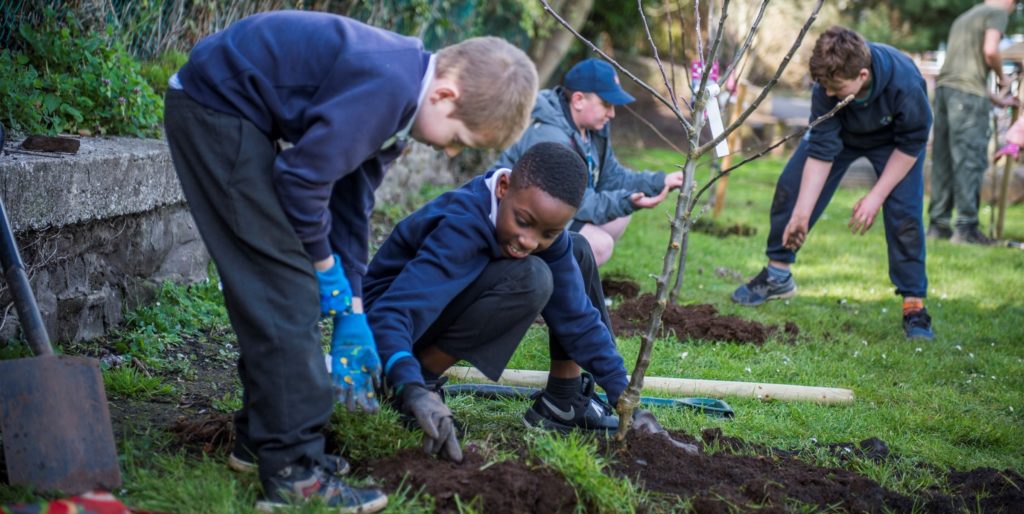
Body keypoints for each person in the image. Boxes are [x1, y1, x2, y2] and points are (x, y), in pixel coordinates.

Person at [162, 10, 537, 512]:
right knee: (286, 289)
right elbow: (300, 181)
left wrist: (353, 305)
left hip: (228, 112)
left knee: (282, 287)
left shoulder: (401, 93)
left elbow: (351, 204)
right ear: (445, 94)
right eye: (457, 140)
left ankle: (262, 442)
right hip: (215, 112)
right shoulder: (386, 84)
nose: (448, 153)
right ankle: (295, 471)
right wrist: (323, 273)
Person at [364, 142, 682, 461]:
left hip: (420, 319)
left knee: (578, 249)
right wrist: (410, 386)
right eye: (523, 221)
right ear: (503, 188)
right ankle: (418, 382)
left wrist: (624, 397)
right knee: (531, 277)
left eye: (548, 232)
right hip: (384, 334)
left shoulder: (535, 233)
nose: (530, 241)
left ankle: (564, 399)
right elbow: (392, 315)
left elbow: (579, 318)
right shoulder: (461, 226)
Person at [730, 26, 935, 341]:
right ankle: (778, 275)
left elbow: (912, 144)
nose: (827, 93)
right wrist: (801, 213)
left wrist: (875, 197)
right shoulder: (826, 86)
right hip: (843, 135)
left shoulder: (905, 83)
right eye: (823, 85)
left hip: (895, 145)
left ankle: (914, 305)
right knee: (791, 188)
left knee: (905, 215)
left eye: (836, 87)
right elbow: (822, 151)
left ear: (862, 75)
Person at [491, 58, 684, 266]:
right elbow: (577, 202)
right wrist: (627, 201)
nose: (612, 113)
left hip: (552, 211)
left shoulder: (592, 132)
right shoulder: (552, 137)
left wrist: (659, 181)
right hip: (517, 219)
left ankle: (577, 279)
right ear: (579, 99)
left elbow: (612, 177)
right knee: (600, 245)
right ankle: (550, 284)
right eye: (606, 105)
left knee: (619, 217)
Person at [929, 0, 1018, 245]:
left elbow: (965, 72)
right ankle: (966, 228)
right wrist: (1003, 79)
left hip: (946, 92)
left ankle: (938, 225)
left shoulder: (966, 17)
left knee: (944, 158)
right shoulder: (996, 14)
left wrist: (996, 99)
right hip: (967, 97)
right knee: (969, 159)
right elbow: (991, 51)